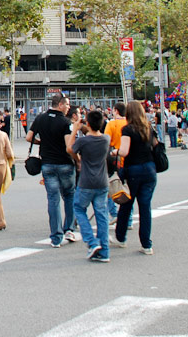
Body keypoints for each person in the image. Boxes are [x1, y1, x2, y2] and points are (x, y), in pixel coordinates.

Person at [27, 94, 78, 248]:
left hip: (47, 164)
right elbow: (68, 146)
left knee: (53, 199)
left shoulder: (40, 119)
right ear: (60, 105)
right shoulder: (65, 122)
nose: (69, 107)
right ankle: (69, 228)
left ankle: (56, 237)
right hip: (64, 164)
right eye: (67, 104)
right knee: (69, 196)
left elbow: (29, 137)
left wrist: (40, 141)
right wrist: (78, 160)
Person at [113, 100, 159, 255]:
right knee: (145, 207)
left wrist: (115, 152)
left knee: (126, 204)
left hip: (133, 170)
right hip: (150, 169)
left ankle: (121, 238)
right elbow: (156, 145)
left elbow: (124, 151)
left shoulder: (128, 129)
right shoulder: (148, 128)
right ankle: (147, 244)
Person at [71, 109, 112, 262]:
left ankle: (91, 241)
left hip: (86, 181)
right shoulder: (106, 139)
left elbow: (70, 148)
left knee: (79, 208)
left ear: (87, 123)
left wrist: (75, 128)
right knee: (101, 215)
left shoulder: (83, 141)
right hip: (102, 181)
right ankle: (104, 251)